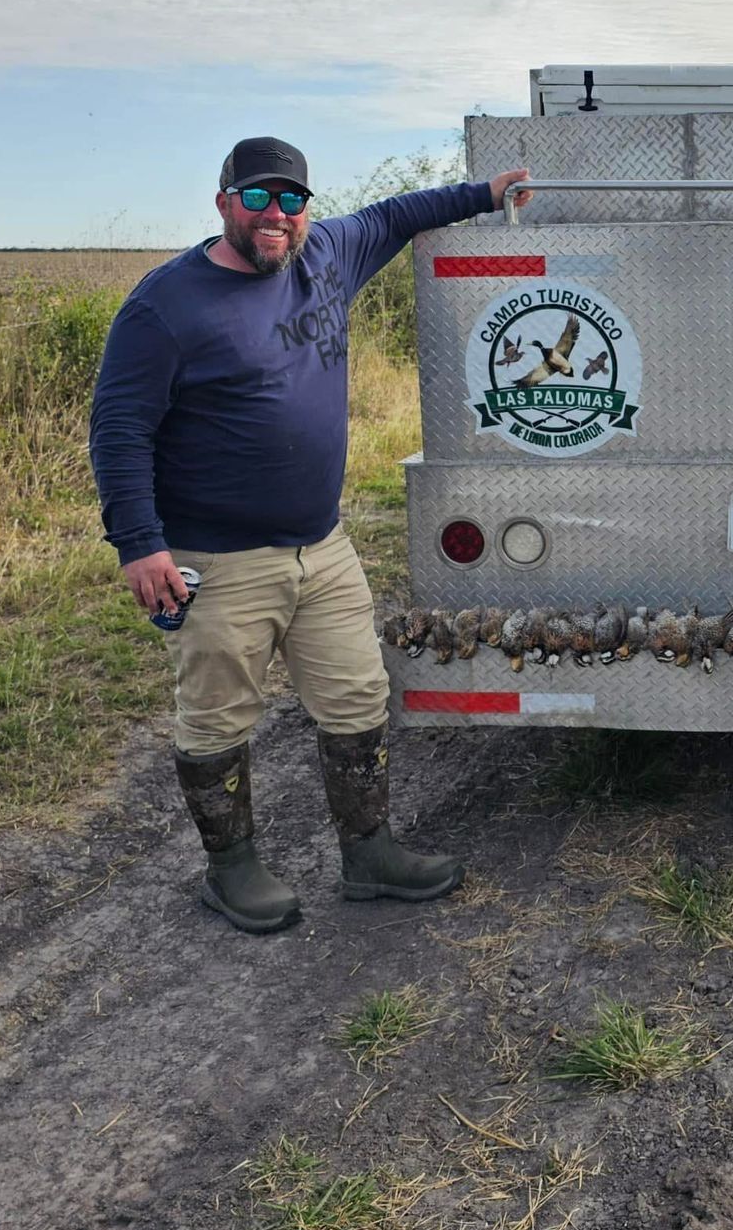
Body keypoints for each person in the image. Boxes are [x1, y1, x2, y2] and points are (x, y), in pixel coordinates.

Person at [90, 137, 533, 934]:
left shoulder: (326, 251)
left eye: (292, 200)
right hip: (215, 559)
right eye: (258, 198)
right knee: (218, 715)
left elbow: (397, 215)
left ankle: (369, 857)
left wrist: (484, 190)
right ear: (224, 201)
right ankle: (231, 873)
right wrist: (139, 543)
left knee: (357, 696)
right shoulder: (165, 307)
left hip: (321, 547)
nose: (277, 216)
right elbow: (120, 430)